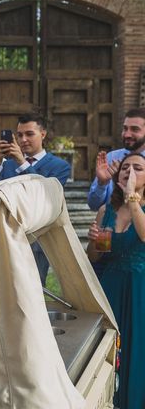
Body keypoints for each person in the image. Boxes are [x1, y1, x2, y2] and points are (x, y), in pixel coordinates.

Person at [86, 153, 145, 409]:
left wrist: (132, 196)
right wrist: (93, 240)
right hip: (111, 286)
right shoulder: (105, 210)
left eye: (138, 168)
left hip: (140, 290)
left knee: (137, 348)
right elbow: (95, 257)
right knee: (109, 349)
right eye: (125, 167)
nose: (129, 171)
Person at [0, 112, 70, 284]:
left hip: (38, 238)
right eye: (19, 135)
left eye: (29, 134)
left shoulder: (60, 166)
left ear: (43, 134)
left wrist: (22, 163)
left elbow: (43, 194)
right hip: (6, 234)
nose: (23, 139)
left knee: (34, 288)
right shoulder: (8, 164)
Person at [88, 108, 145, 211]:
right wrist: (102, 183)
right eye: (125, 128)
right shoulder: (112, 158)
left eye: (135, 129)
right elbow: (93, 205)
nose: (127, 134)